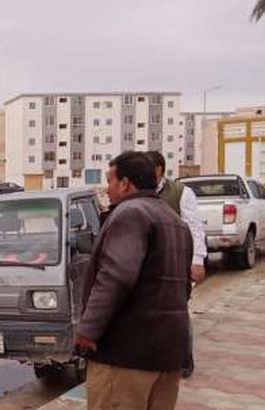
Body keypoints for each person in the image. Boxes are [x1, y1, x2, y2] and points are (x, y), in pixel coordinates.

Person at [75, 151, 193, 410]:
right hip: (167, 355)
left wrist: (87, 329)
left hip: (126, 356)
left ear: (126, 183)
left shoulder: (130, 213)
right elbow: (184, 287)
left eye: (110, 181)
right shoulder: (176, 222)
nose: (107, 189)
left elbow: (115, 277)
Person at [146, 151, 207, 378]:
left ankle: (184, 360)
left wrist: (197, 260)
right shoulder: (141, 192)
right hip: (151, 266)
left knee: (178, 312)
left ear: (160, 169)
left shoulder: (181, 193)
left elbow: (194, 228)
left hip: (176, 264)